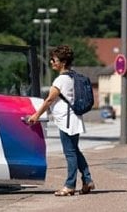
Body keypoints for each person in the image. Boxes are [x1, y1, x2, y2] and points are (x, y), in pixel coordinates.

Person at [28, 45, 95, 196]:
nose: (51, 62)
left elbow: (49, 100)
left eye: (54, 60)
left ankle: (70, 185)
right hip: (74, 118)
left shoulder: (61, 80)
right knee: (75, 151)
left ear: (63, 63)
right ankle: (87, 180)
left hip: (66, 120)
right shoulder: (73, 77)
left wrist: (36, 115)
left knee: (70, 153)